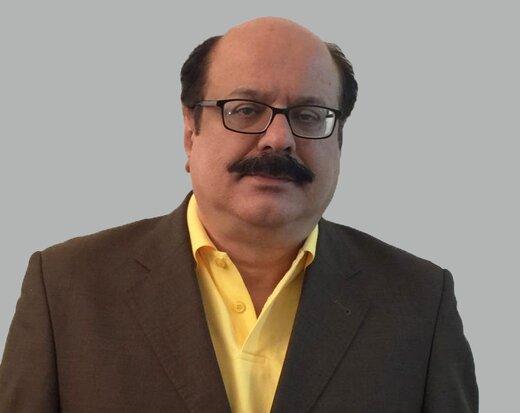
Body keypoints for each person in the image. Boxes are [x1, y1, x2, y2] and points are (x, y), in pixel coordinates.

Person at [0, 16, 478, 412]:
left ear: (339, 139)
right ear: (190, 130)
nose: (279, 139)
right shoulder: (66, 287)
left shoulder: (419, 302)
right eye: (246, 110)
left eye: (309, 115)